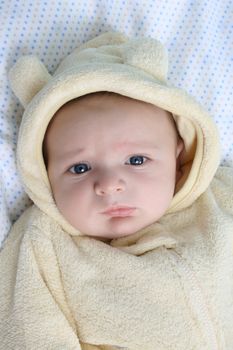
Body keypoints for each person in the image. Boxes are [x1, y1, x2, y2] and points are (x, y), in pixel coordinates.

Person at [0, 31, 232, 350]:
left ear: (178, 159)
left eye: (136, 160)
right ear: (44, 172)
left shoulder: (219, 198)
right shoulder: (42, 244)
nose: (110, 184)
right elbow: (27, 330)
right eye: (79, 168)